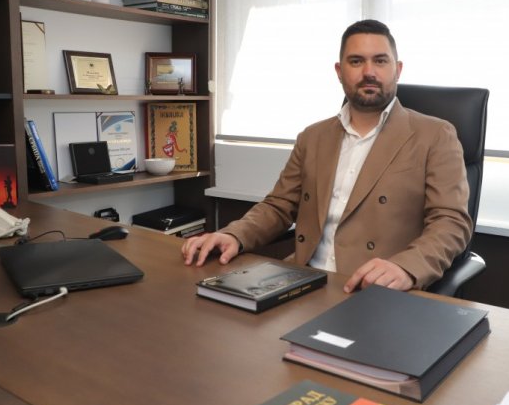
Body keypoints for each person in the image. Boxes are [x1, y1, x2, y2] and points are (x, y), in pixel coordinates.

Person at [182, 19, 472, 292]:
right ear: (339, 71)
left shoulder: (435, 135)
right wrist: (234, 234)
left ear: (398, 69)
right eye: (356, 61)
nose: (369, 72)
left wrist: (406, 267)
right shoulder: (313, 137)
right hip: (303, 278)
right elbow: (279, 206)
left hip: (373, 288)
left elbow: (451, 222)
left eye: (380, 61)